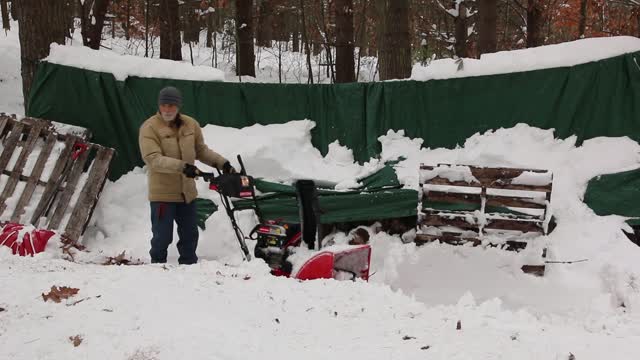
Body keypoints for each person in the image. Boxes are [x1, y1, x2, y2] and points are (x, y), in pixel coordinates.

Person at [138, 86, 236, 264]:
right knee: (162, 237)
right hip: (163, 194)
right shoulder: (150, 127)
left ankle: (189, 268)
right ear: (159, 106)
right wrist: (183, 167)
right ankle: (156, 269)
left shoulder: (190, 124)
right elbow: (153, 159)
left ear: (178, 106)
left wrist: (223, 163)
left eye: (172, 106)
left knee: (190, 235)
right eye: (164, 105)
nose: (168, 109)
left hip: (187, 193)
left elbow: (201, 150)